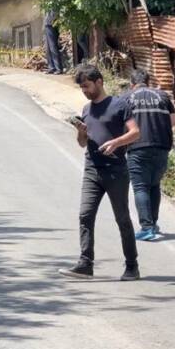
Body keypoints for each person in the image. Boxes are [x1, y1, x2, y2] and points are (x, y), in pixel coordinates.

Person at [60, 65, 141, 281]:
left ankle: (132, 266)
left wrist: (116, 142)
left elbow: (135, 132)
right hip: (92, 169)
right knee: (85, 215)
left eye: (87, 86)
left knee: (122, 218)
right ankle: (85, 264)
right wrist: (81, 133)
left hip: (115, 170)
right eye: (82, 88)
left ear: (99, 82)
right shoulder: (86, 109)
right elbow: (81, 144)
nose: (85, 91)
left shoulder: (119, 105)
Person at [125, 69, 175, 241]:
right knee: (154, 185)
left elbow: (120, 123)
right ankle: (153, 224)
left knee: (140, 187)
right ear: (148, 81)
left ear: (131, 83)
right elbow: (174, 120)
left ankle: (146, 227)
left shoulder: (127, 98)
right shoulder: (162, 96)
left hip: (138, 147)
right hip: (162, 146)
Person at [44, 10, 64, 74]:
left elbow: (55, 16)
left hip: (52, 26)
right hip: (47, 26)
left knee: (53, 47)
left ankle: (58, 68)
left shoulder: (54, 4)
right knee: (48, 49)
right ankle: (51, 67)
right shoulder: (47, 5)